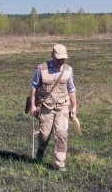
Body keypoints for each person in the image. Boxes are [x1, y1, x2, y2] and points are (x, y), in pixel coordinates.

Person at [29, 44, 77, 172]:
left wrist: (74, 107)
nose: (61, 61)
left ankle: (60, 163)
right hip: (46, 107)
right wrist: (33, 105)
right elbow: (34, 88)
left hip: (62, 107)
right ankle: (41, 150)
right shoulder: (41, 68)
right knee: (44, 135)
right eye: (58, 58)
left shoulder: (68, 70)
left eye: (63, 59)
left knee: (62, 134)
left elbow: (71, 89)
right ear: (52, 55)